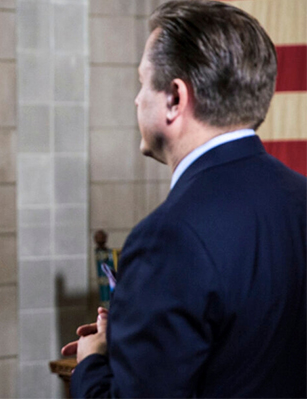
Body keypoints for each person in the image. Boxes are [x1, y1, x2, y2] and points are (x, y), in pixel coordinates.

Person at [62, 1, 306, 397]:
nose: (137, 100)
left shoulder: (167, 239)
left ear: (175, 98)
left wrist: (91, 361)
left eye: (142, 82)